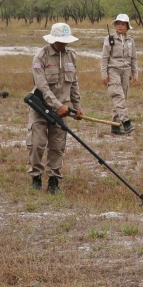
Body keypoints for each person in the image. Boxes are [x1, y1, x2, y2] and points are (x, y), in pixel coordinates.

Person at [28, 22, 83, 193]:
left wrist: (77, 106)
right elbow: (42, 87)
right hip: (41, 107)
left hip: (62, 110)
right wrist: (57, 106)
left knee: (58, 146)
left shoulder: (71, 56)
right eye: (60, 41)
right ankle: (36, 177)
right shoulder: (40, 57)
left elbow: (74, 83)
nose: (63, 44)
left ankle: (53, 181)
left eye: (66, 41)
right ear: (53, 39)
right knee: (37, 144)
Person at [102, 13, 139, 135]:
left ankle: (115, 126)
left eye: (123, 24)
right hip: (113, 70)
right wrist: (104, 74)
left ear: (127, 26)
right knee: (118, 96)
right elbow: (104, 58)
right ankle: (126, 122)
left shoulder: (130, 40)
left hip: (125, 71)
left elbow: (134, 58)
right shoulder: (109, 39)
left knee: (122, 98)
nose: (120, 26)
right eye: (118, 24)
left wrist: (135, 74)